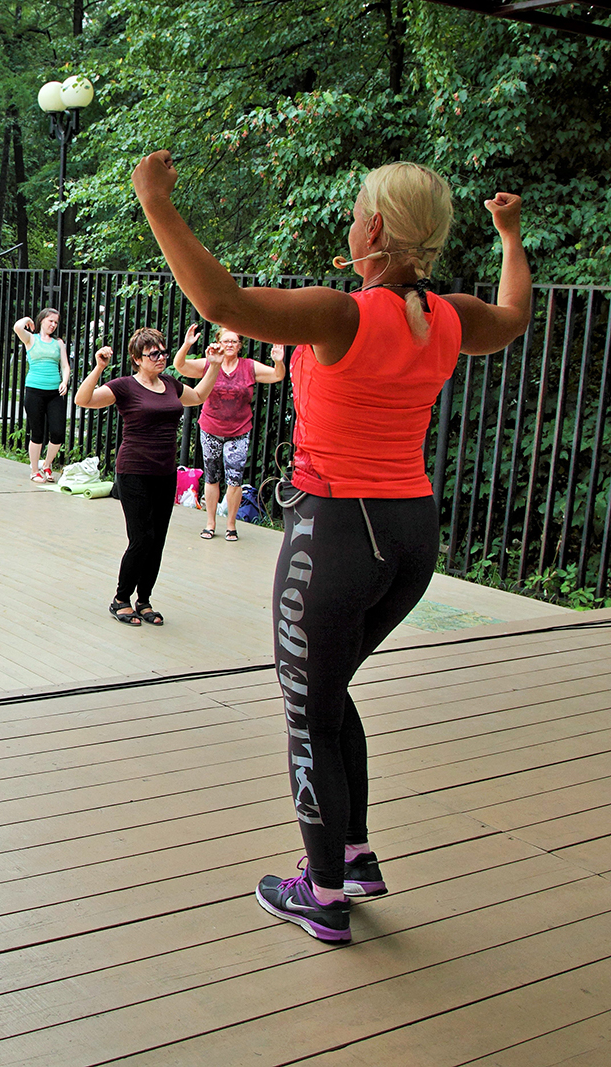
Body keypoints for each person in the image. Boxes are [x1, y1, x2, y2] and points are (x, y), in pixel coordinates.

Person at [130, 150, 531, 943]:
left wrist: (156, 204)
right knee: (330, 689)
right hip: (410, 537)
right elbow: (515, 317)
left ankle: (320, 892)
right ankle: (353, 853)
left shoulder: (343, 315)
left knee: (306, 709)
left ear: (374, 227)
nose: (350, 223)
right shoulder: (449, 317)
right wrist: (511, 240)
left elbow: (221, 300)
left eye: (356, 212)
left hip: (335, 532)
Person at [74, 327, 222, 627]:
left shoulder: (169, 384)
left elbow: (199, 396)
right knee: (142, 537)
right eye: (153, 354)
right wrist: (99, 367)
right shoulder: (124, 386)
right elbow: (83, 399)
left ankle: (144, 600)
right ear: (136, 359)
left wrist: (215, 366)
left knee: (157, 540)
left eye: (163, 352)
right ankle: (121, 599)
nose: (160, 358)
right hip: (134, 471)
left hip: (164, 473)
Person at [173, 323, 287, 541]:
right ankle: (210, 523)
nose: (230, 344)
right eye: (226, 340)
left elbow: (277, 376)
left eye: (234, 341)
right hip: (210, 428)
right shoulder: (209, 364)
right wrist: (187, 345)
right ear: (219, 342)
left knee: (235, 479)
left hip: (239, 431)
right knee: (212, 477)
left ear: (240, 345)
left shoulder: (249, 367)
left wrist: (278, 361)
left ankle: (231, 525)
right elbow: (180, 366)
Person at [13, 309, 73, 482]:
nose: (53, 325)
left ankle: (46, 464)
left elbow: (65, 366)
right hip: (34, 391)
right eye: (50, 321)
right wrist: (27, 320)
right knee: (37, 433)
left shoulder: (58, 343)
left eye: (56, 322)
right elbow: (17, 327)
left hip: (54, 392)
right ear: (42, 321)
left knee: (58, 432)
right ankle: (34, 470)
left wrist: (65, 381)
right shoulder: (31, 339)